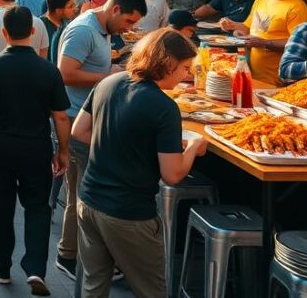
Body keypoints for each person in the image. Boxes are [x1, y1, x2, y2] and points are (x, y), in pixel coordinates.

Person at [73, 28, 207, 297]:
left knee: (93, 286)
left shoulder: (109, 82)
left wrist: (120, 145)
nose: (186, 75)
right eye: (184, 68)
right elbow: (172, 174)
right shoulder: (163, 107)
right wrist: (193, 147)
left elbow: (80, 131)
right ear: (167, 63)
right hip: (128, 213)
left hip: (88, 202)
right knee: (151, 291)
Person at [0, 6, 71, 294]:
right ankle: (36, 267)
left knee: (0, 205)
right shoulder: (48, 70)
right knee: (38, 205)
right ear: (34, 32)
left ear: (4, 33)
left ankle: (1, 266)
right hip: (36, 145)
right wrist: (63, 150)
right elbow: (60, 115)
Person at [53, 0, 148, 281]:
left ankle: (73, 254)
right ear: (115, 9)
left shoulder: (102, 29)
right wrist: (110, 76)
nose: (129, 29)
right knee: (82, 194)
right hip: (75, 121)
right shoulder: (84, 30)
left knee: (81, 193)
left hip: (89, 119)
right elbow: (65, 73)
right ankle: (71, 256)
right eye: (129, 22)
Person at [220, 0, 307, 84]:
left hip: (278, 83)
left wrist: (264, 43)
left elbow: (300, 46)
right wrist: (232, 26)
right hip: (255, 78)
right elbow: (248, 28)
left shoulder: (296, 7)